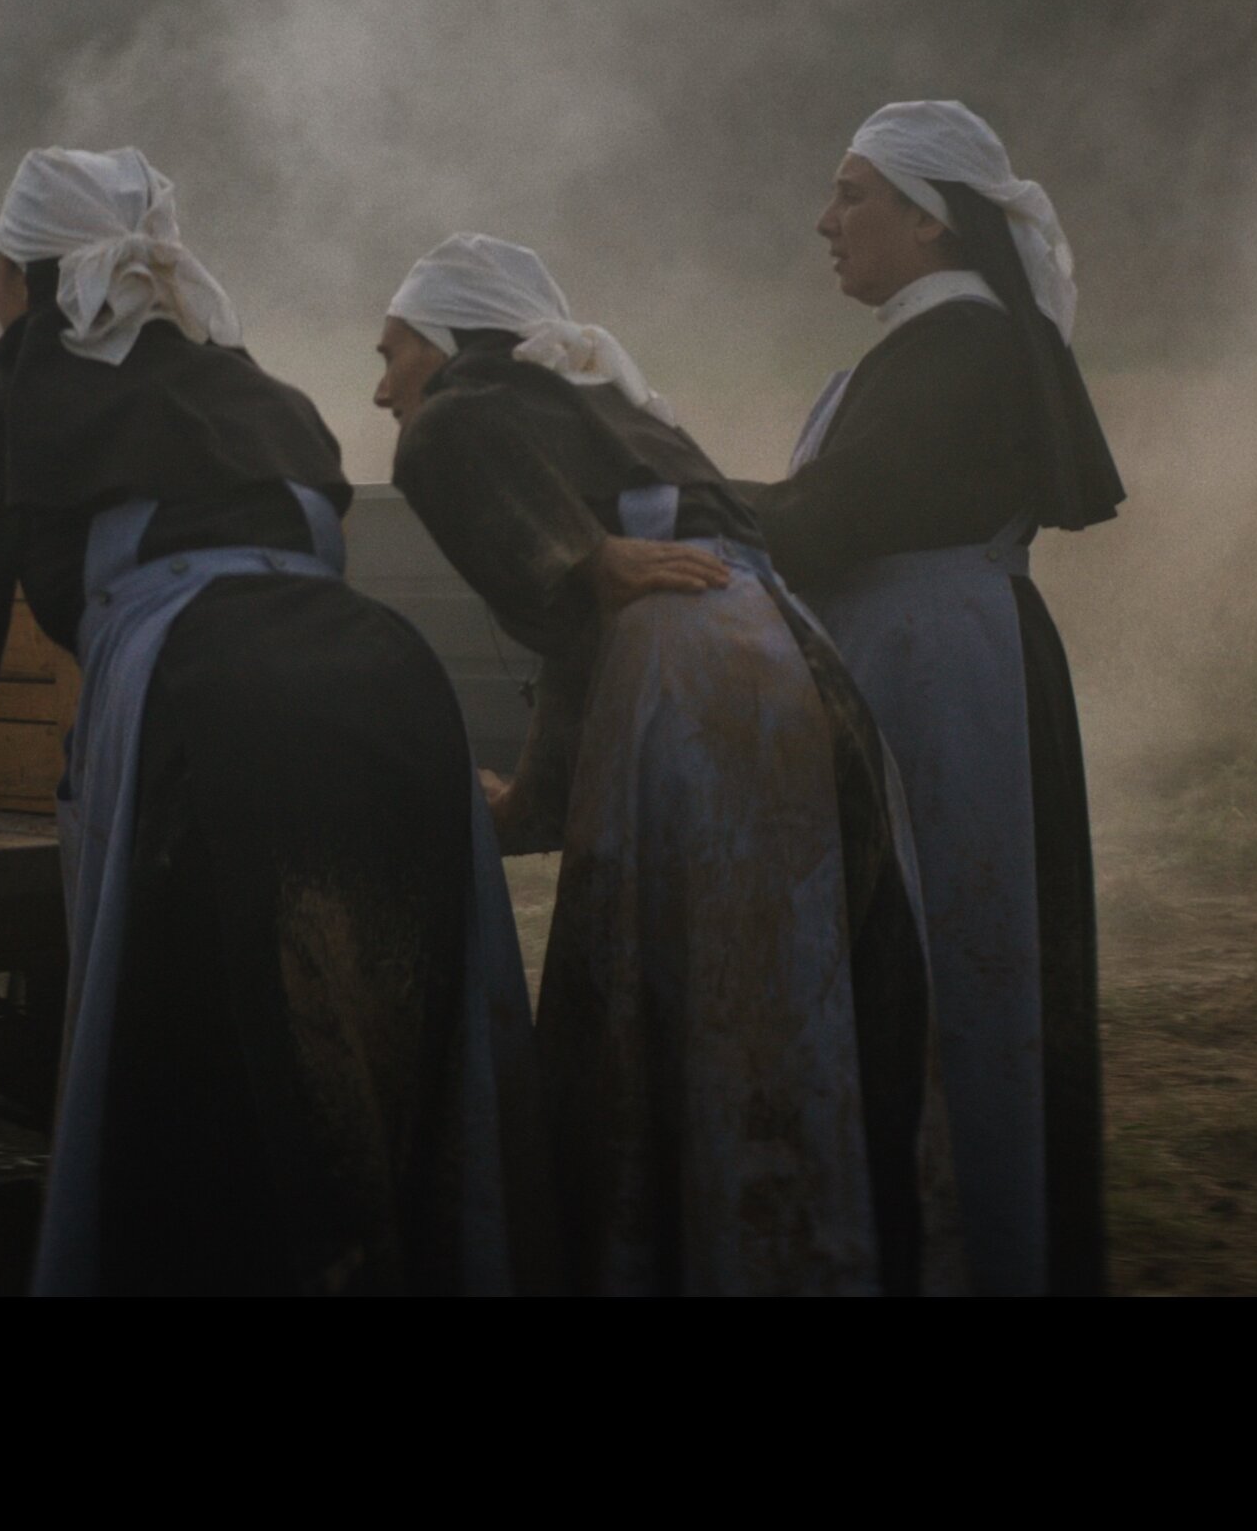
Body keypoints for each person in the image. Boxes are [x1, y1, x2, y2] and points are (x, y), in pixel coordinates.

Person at [0, 149, 545, 1295]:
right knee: (410, 1026)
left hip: (206, 704)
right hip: (396, 684)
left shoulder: (18, 412)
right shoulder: (267, 398)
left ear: (13, 278)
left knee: (205, 1070)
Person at [376, 234, 937, 1295]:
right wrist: (537, 795)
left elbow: (574, 577)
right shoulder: (606, 405)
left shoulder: (463, 409)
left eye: (392, 352)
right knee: (808, 979)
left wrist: (581, 560)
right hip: (800, 659)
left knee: (707, 999)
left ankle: (719, 1255)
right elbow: (589, 626)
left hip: (696, 689)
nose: (381, 390)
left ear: (446, 344)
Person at [746, 101, 1125, 1298]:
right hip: (929, 661)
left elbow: (829, 520)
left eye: (852, 195)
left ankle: (968, 1251)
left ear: (930, 220)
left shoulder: (958, 350)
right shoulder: (934, 345)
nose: (826, 221)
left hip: (946, 684)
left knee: (951, 952)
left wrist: (662, 491)